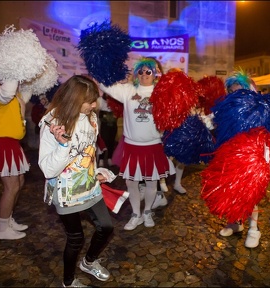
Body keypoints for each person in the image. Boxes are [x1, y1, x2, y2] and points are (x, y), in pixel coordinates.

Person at [38, 75, 113, 287]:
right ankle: (68, 282)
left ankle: (89, 263)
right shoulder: (52, 123)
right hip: (65, 191)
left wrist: (95, 170)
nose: (94, 104)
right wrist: (63, 146)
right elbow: (48, 169)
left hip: (88, 185)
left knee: (106, 227)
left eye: (95, 99)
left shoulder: (90, 117)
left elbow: (88, 151)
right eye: (89, 101)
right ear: (74, 99)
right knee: (76, 239)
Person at [98, 57, 175, 231]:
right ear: (136, 73)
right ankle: (135, 214)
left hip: (153, 145)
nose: (144, 74)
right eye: (141, 71)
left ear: (155, 74)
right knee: (131, 183)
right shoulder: (127, 90)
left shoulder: (161, 93)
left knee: (150, 183)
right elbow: (103, 85)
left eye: (149, 71)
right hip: (132, 146)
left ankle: (147, 212)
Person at [217, 69, 262, 249]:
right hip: (230, 154)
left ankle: (254, 228)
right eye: (232, 91)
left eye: (239, 90)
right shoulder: (226, 109)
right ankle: (235, 223)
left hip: (251, 156)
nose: (235, 94)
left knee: (251, 193)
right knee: (232, 190)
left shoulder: (257, 110)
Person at [0, 79, 31, 240]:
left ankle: (8, 219)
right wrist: (13, 69)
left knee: (19, 182)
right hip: (2, 142)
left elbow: (21, 97)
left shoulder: (11, 94)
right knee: (11, 186)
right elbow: (6, 93)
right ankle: (2, 229)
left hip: (12, 143)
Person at [97, 93, 118, 168]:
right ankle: (101, 159)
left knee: (111, 141)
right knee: (103, 141)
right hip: (104, 124)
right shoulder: (100, 100)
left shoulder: (116, 101)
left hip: (113, 123)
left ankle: (109, 158)